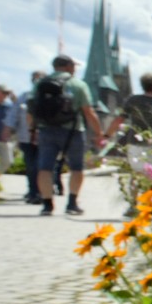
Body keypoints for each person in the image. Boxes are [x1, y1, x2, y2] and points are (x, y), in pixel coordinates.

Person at [30, 55, 106, 216]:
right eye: (74, 66)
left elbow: (31, 109)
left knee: (45, 168)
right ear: (69, 66)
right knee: (76, 168)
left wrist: (32, 130)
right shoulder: (78, 85)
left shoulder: (40, 84)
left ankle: (47, 205)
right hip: (73, 131)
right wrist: (99, 133)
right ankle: (72, 203)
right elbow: (88, 112)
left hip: (46, 130)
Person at [109, 72, 152, 215]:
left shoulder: (133, 100)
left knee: (137, 174)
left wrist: (106, 134)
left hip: (135, 142)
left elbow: (120, 119)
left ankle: (133, 205)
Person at [5, 72, 45, 202]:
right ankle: (33, 191)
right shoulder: (24, 96)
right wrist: (8, 129)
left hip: (45, 138)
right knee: (31, 165)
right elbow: (13, 114)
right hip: (25, 137)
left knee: (41, 165)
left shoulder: (49, 97)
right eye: (35, 79)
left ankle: (41, 191)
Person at [0, 85, 14, 181]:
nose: (6, 95)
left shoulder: (9, 106)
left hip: (4, 139)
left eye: (7, 93)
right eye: (4, 92)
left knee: (7, 162)